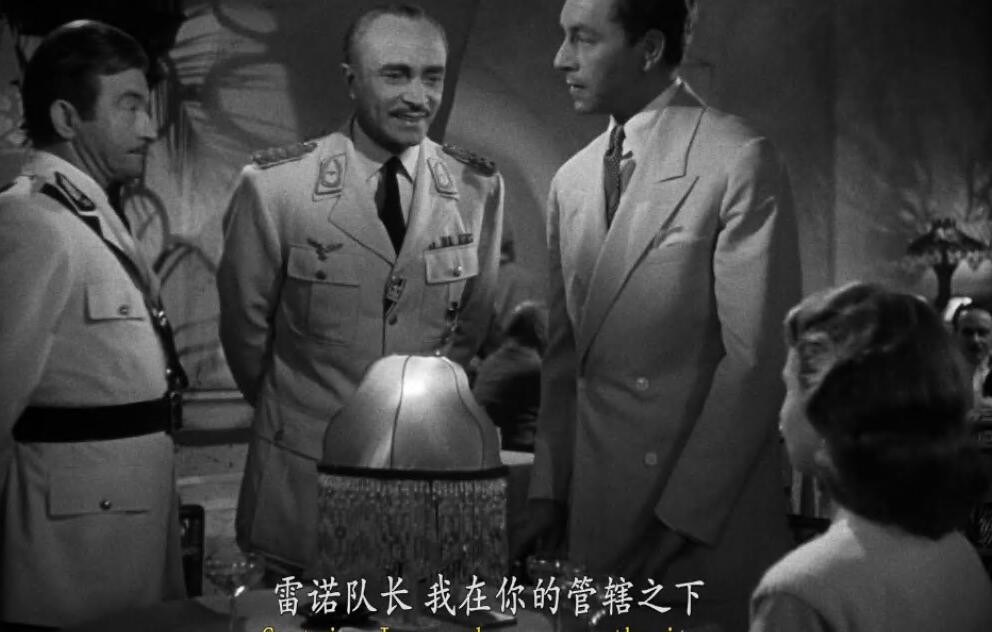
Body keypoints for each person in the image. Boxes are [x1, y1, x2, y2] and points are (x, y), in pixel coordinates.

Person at [520, 0, 801, 629]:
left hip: (695, 522)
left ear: (648, 49)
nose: (560, 59)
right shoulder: (571, 180)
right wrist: (547, 492)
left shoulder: (737, 158)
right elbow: (565, 365)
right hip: (595, 517)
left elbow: (755, 363)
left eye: (583, 39)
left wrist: (677, 519)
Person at [217, 3, 503, 575]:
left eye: (432, 77)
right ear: (351, 80)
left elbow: (469, 328)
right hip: (304, 480)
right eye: (395, 75)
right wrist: (298, 412)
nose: (417, 97)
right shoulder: (278, 187)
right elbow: (247, 338)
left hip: (421, 484)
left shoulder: (477, 187)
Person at [0, 20, 187, 629]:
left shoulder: (85, 213)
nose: (149, 128)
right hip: (71, 548)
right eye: (129, 105)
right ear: (66, 116)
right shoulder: (32, 223)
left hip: (120, 520)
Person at [750, 282, 992, 631]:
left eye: (790, 388)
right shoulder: (959, 554)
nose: (782, 412)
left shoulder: (800, 590)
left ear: (829, 411)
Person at [473, 300, 547, 451]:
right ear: (539, 330)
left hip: (483, 443)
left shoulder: (493, 360)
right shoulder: (533, 367)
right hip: (518, 447)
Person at [952, 302, 992, 406]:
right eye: (968, 332)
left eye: (982, 332)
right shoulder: (941, 373)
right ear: (955, 335)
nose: (975, 340)